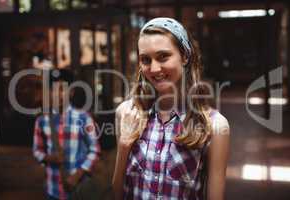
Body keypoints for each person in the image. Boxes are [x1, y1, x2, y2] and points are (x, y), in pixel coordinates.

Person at [112, 17, 230, 200]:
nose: (154, 68)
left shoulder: (214, 125)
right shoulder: (126, 113)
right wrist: (123, 146)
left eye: (163, 57)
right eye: (145, 59)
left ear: (185, 56)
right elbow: (116, 194)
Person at [33, 69, 101, 200]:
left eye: (62, 88)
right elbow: (37, 151)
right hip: (52, 190)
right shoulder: (41, 121)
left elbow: (95, 150)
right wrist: (48, 158)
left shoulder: (84, 118)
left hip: (78, 190)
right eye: (53, 89)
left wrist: (77, 175)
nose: (58, 94)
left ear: (71, 92)